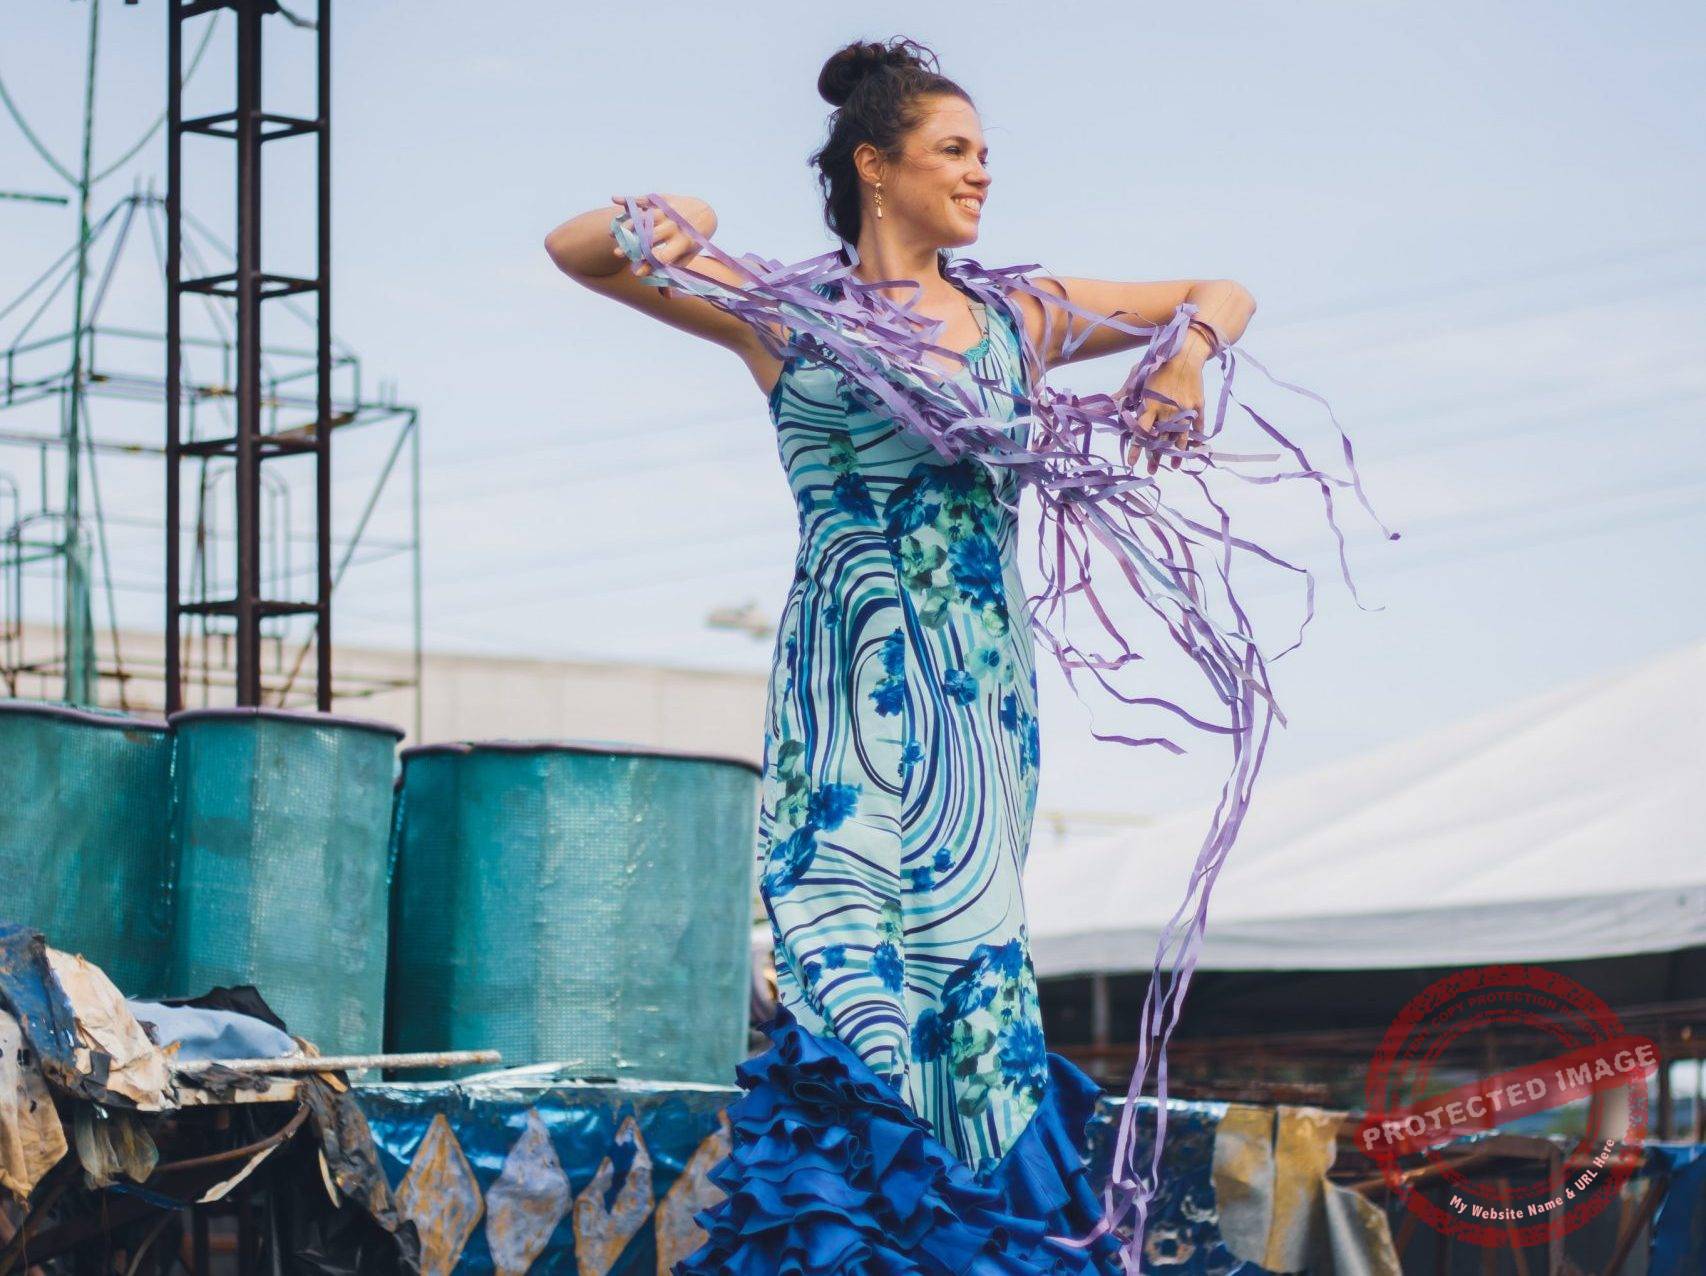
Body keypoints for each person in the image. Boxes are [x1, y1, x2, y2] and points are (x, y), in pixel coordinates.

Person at [545, 35, 1386, 1276]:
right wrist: (697, 212)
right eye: (954, 151)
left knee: (963, 974)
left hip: (973, 695)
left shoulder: (1018, 318)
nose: (981, 173)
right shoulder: (786, 314)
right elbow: (582, 249)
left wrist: (1185, 363)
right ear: (875, 168)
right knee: (840, 966)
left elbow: (1218, 290)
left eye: (987, 154)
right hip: (837, 691)